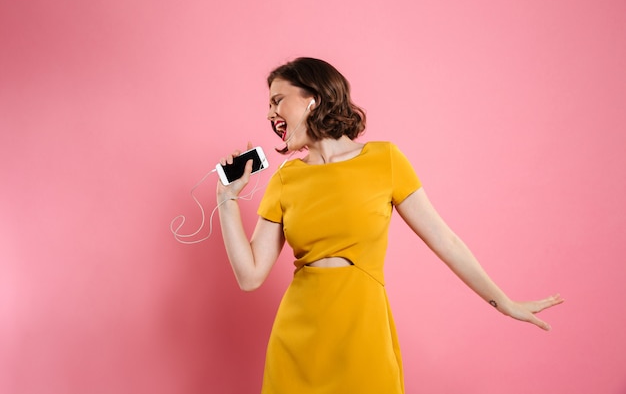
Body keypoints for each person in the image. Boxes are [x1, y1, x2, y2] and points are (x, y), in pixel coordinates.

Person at [216, 57, 563, 394]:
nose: (269, 113)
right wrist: (227, 200)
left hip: (362, 332)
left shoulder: (385, 160)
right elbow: (250, 276)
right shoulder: (285, 178)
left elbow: (446, 241)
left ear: (312, 99)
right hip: (296, 340)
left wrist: (504, 303)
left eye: (278, 100)